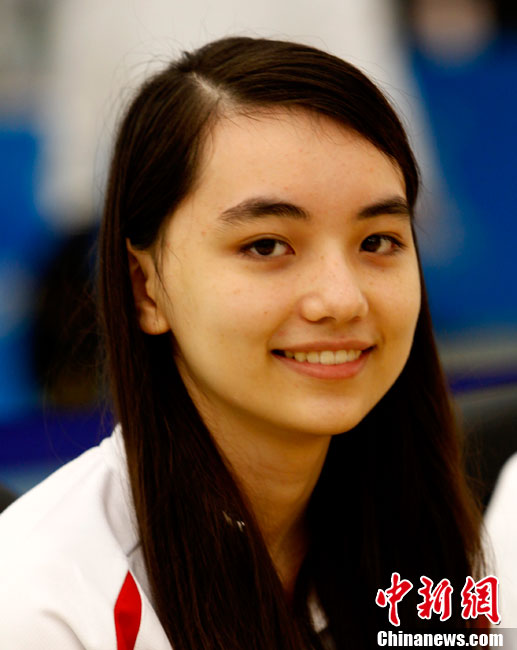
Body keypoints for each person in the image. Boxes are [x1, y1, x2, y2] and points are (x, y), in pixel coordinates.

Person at [0, 36, 484, 649]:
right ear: (146, 289)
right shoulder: (44, 605)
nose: (341, 300)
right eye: (266, 246)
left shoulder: (435, 540)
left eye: (377, 241)